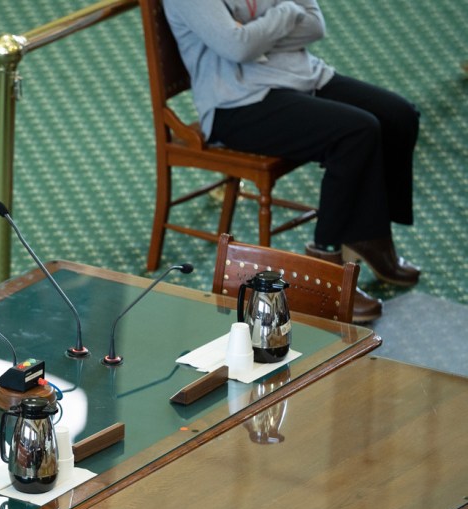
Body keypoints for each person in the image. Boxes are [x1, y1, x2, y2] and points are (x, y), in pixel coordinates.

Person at [163, 0, 421, 323]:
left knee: (399, 117)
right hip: (237, 102)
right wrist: (286, 12)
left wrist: (255, 35)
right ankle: (325, 270)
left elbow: (314, 25)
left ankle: (369, 236)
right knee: (356, 133)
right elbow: (236, 47)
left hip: (302, 76)